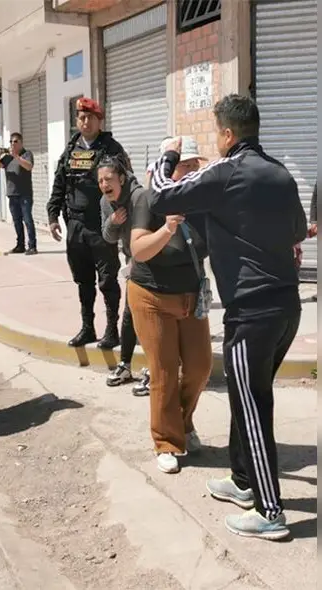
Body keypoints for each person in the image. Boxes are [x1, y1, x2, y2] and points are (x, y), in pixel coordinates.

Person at [149, 94, 307, 540]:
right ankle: (243, 481)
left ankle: (270, 511)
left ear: (226, 134)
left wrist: (169, 153)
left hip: (251, 312)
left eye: (216, 132)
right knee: (247, 392)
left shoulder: (225, 171)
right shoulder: (280, 173)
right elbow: (297, 230)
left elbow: (162, 195)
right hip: (286, 309)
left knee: (253, 405)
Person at [117, 141, 214, 475]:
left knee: (201, 367)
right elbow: (139, 250)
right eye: (183, 165)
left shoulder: (201, 201)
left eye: (193, 165)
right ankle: (166, 441)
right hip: (150, 297)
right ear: (165, 169)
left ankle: (183, 424)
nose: (190, 171)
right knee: (164, 371)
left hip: (190, 296)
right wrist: (168, 227)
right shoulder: (147, 200)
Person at [46, 97, 132, 349]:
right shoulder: (71, 149)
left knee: (107, 280)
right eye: (81, 118)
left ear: (99, 120)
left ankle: (111, 330)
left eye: (90, 118)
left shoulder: (112, 149)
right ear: (77, 121)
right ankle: (87, 328)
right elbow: (60, 184)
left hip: (102, 226)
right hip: (76, 225)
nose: (85, 122)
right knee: (83, 280)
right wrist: (53, 215)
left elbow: (125, 183)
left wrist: (120, 219)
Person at [99, 162, 140, 391]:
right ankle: (125, 365)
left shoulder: (139, 197)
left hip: (152, 260)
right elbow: (108, 237)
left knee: (150, 317)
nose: (104, 184)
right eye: (101, 180)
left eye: (109, 179)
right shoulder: (105, 202)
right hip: (132, 263)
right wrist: (113, 221)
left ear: (122, 179)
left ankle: (155, 368)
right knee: (130, 312)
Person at [0, 132, 37, 254]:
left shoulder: (27, 154)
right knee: (17, 221)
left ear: (21, 143)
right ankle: (20, 245)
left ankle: (32, 246)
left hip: (24, 194)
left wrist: (17, 157)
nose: (12, 144)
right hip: (12, 194)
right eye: (11, 142)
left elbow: (29, 167)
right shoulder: (7, 157)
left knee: (27, 220)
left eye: (15, 141)